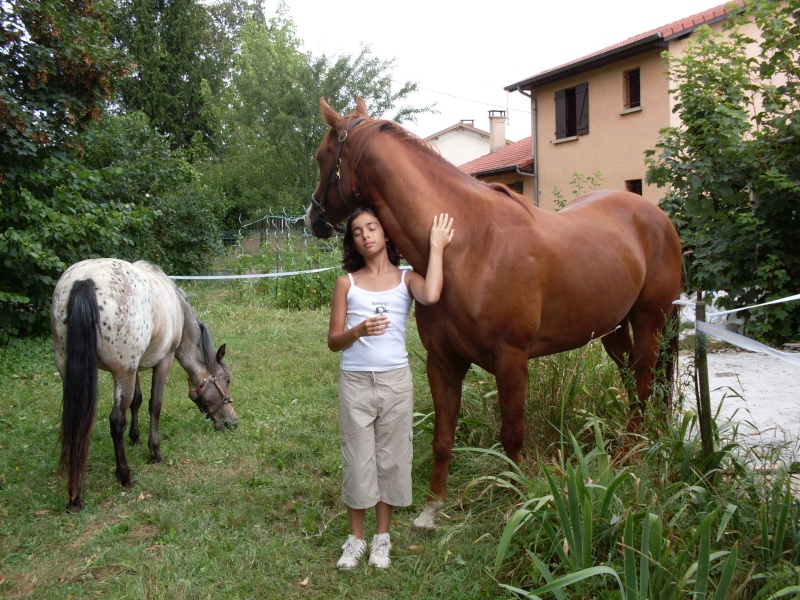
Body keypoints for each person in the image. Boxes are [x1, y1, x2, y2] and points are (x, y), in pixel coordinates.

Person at [327, 207, 454, 570]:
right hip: (355, 382)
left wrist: (437, 246)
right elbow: (334, 341)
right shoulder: (346, 283)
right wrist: (359, 331)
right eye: (356, 232)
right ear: (352, 242)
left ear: (386, 234)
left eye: (372, 228)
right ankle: (355, 540)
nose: (366, 235)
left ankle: (382, 539)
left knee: (392, 459)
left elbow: (431, 294)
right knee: (357, 459)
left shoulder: (407, 279)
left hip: (396, 382)